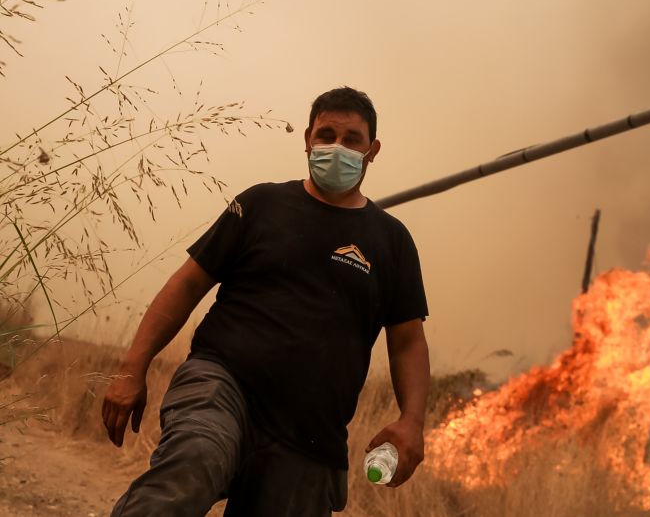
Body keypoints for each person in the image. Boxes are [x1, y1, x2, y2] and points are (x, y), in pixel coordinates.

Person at [102, 87, 430, 516]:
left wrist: (413, 421)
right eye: (326, 134)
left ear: (373, 150)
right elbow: (186, 285)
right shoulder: (259, 205)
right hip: (221, 386)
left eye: (352, 139)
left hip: (312, 435)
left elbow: (407, 340)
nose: (337, 147)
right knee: (193, 461)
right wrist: (132, 368)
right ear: (308, 140)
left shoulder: (391, 240)